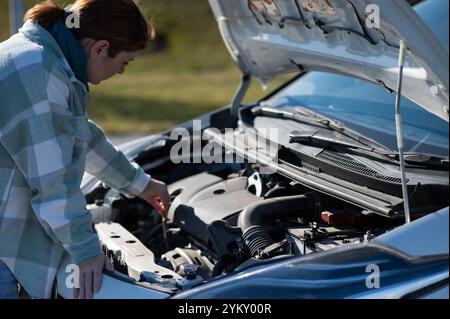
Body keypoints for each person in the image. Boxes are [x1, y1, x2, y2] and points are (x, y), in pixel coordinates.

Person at [0, 0, 170, 299]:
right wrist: (86, 250)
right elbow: (52, 181)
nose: (120, 72)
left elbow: (81, 137)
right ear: (100, 48)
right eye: (125, 62)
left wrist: (142, 184)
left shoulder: (45, 60)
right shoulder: (37, 71)